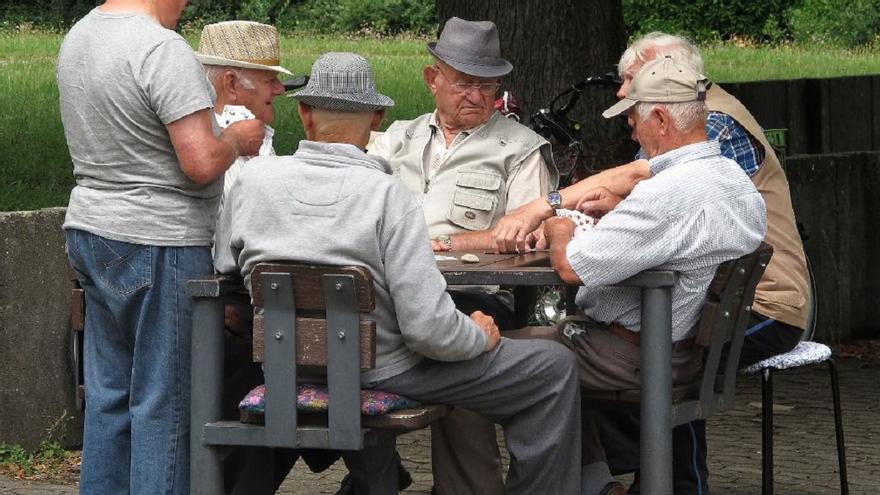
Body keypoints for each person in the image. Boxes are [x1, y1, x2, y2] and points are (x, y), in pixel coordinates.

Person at [213, 51, 583, 495]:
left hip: (284, 364)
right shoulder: (389, 195)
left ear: (305, 114)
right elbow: (429, 332)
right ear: (377, 119)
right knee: (555, 365)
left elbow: (225, 266)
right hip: (381, 369)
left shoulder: (254, 181)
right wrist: (476, 335)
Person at [57, 1, 265, 493]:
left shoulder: (80, 36)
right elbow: (200, 160)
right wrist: (237, 137)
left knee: (109, 398)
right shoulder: (162, 49)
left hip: (91, 228)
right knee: (165, 404)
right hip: (160, 240)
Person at [539, 56, 767, 495]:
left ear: (660, 118)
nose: (630, 129)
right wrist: (620, 215)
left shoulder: (666, 193)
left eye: (632, 118)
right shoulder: (736, 182)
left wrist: (559, 227)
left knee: (493, 360)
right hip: (690, 355)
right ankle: (596, 486)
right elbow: (680, 239)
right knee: (535, 360)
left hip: (636, 357)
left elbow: (570, 268)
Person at [367, 17, 557, 494]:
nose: (476, 96)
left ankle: (468, 489)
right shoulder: (396, 140)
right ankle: (376, 479)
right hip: (393, 295)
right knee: (349, 335)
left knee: (456, 339)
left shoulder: (521, 148)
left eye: (487, 86)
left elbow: (530, 238)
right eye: (465, 83)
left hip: (472, 292)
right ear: (434, 80)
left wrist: (453, 245)